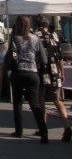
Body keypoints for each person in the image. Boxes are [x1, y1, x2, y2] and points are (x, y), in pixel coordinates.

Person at [9, 15, 48, 143]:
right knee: (34, 103)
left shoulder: (15, 38)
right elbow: (43, 59)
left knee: (18, 103)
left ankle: (19, 131)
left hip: (18, 72)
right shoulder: (36, 38)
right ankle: (44, 131)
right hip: (32, 73)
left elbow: (10, 55)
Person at [36, 19, 71, 142]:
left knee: (41, 100)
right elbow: (60, 57)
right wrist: (62, 72)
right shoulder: (54, 37)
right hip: (55, 71)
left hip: (43, 72)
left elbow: (36, 56)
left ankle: (43, 127)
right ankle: (66, 126)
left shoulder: (36, 37)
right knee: (57, 100)